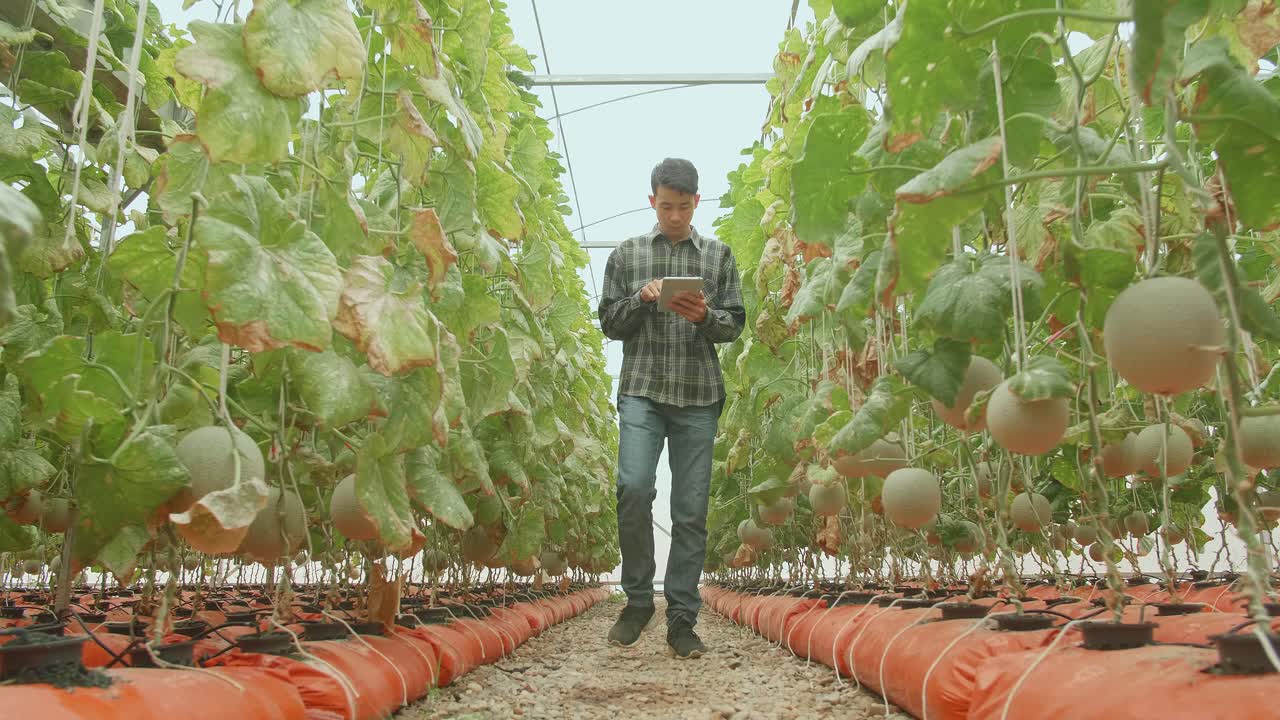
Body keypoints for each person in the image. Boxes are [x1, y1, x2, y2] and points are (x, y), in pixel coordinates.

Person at [597, 158, 746, 659]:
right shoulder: (628, 254)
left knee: (690, 508)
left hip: (698, 394)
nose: (675, 216)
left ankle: (682, 618)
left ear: (696, 202)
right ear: (652, 201)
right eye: (666, 207)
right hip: (642, 389)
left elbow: (734, 324)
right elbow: (609, 323)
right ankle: (638, 601)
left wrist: (704, 315)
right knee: (633, 487)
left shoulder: (719, 256)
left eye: (684, 207)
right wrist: (641, 299)